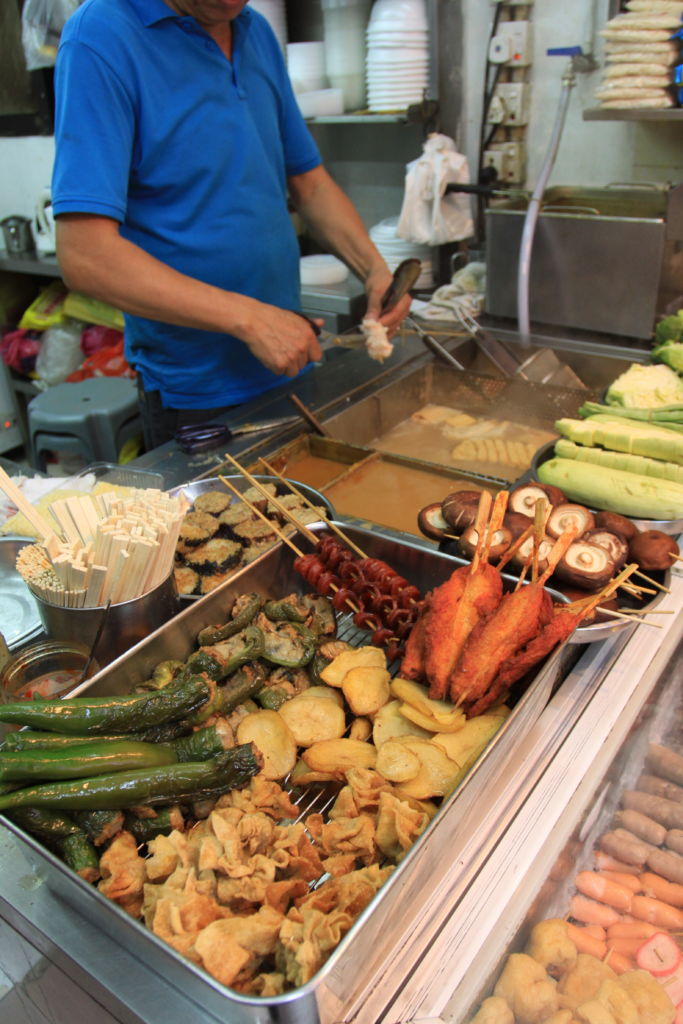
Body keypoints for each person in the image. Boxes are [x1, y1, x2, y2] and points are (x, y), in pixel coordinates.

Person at [51, 0, 411, 451]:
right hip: (196, 393)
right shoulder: (101, 36)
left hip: (289, 364)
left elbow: (309, 182)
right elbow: (86, 255)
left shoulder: (254, 30)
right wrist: (248, 319)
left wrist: (375, 269)